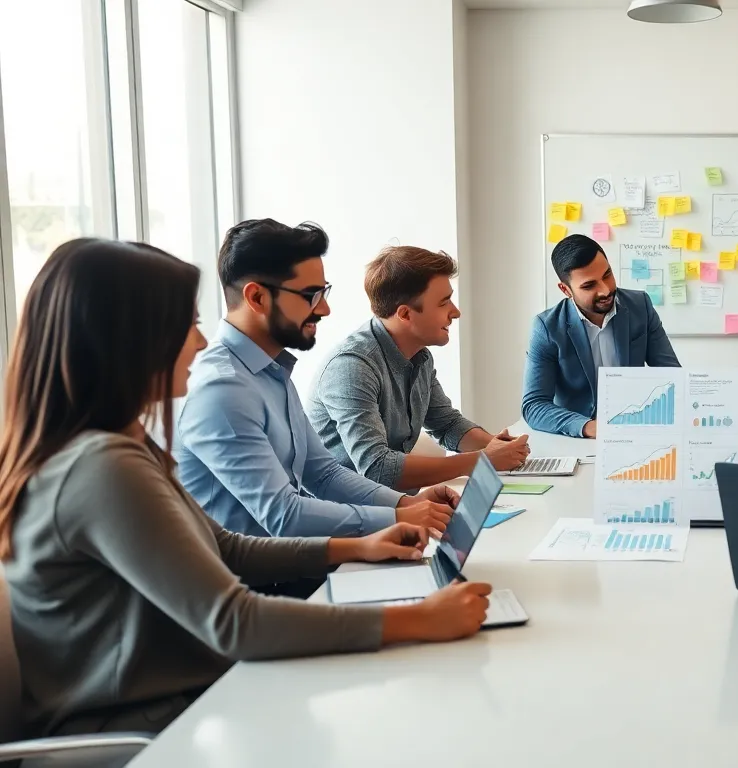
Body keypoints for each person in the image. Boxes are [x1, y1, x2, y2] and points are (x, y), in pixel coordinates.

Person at [0, 239, 493, 738]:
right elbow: (234, 621)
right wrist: (420, 621)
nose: (198, 342)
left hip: (187, 694)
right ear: (126, 339)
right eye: (186, 325)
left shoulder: (121, 443)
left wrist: (361, 544)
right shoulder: (102, 467)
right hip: (145, 729)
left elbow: (223, 546)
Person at [175, 220, 458, 581]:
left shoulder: (269, 371)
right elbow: (284, 516)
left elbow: (322, 472)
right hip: (249, 591)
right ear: (257, 298)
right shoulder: (223, 389)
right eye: (311, 295)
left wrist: (407, 503)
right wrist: (397, 517)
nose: (324, 310)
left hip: (296, 568)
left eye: (323, 292)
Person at [308, 245, 529, 492]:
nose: (455, 312)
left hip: (394, 506)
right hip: (347, 518)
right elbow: (377, 469)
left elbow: (447, 425)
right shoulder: (351, 368)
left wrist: (500, 448)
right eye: (444, 303)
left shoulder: (419, 355)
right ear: (405, 314)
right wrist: (482, 460)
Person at [522, 234, 679, 438]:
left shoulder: (640, 306)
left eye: (607, 275)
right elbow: (534, 405)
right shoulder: (547, 327)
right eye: (589, 286)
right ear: (565, 289)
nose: (605, 290)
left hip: (635, 429)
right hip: (578, 438)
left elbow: (672, 375)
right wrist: (589, 427)